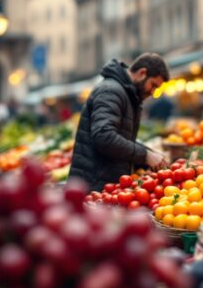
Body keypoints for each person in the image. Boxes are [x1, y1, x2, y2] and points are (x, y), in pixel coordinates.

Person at [69, 54, 169, 191]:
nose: (153, 92)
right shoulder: (111, 91)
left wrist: (149, 153)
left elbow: (122, 138)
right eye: (153, 85)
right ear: (142, 73)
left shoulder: (127, 94)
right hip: (94, 186)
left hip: (104, 185)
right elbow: (104, 136)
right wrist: (145, 156)